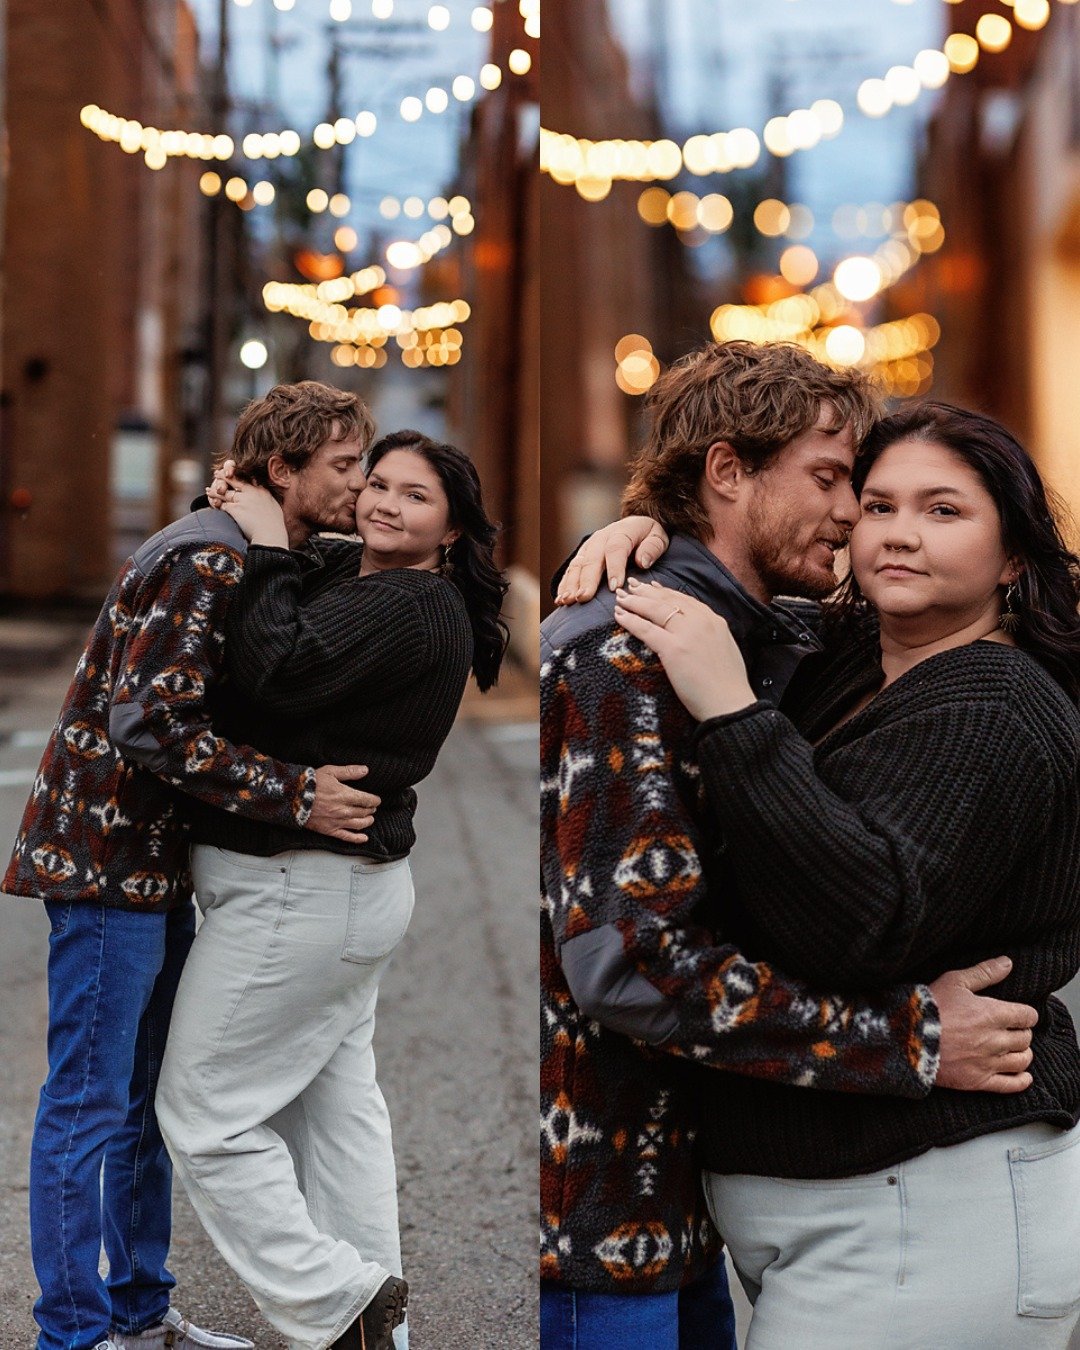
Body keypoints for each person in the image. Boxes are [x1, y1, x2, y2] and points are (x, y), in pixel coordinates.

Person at [539, 343, 1040, 1350]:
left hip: (678, 1203)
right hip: (598, 1212)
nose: (855, 513)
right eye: (832, 478)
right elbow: (633, 965)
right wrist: (912, 1041)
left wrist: (638, 530)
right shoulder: (625, 649)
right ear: (726, 472)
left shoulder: (762, 635)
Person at [2, 381, 384, 1350]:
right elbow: (149, 723)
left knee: (138, 1105)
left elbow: (359, 562)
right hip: (103, 868)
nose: (361, 484)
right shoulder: (207, 556)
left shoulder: (237, 542)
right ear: (281, 470)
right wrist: (296, 793)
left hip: (148, 869)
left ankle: (136, 1315)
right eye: (343, 467)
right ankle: (76, 1334)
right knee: (90, 1107)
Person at [152, 430, 508, 1350]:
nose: (386, 503)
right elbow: (281, 556)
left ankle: (331, 1303)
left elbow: (273, 668)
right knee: (336, 1107)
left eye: (415, 496)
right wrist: (239, 507)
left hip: (300, 894)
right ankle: (375, 1319)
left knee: (203, 1113)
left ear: (454, 531)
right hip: (326, 892)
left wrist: (264, 545)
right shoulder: (353, 569)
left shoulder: (416, 606)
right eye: (377, 483)